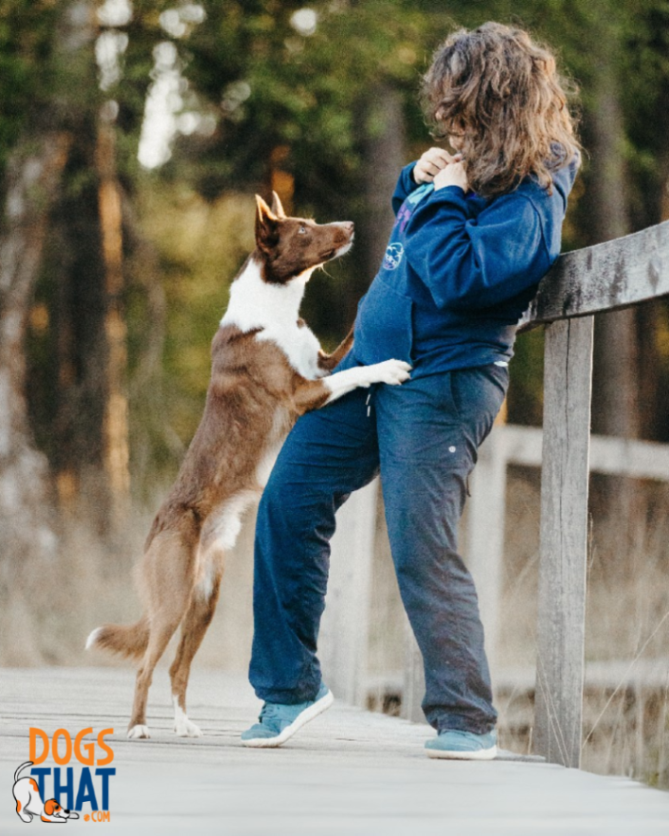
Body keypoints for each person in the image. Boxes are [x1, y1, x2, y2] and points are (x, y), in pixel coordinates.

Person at [241, 21, 581, 758]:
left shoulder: (537, 184)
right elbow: (415, 231)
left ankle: (465, 718)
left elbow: (462, 279)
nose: (451, 132)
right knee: (288, 502)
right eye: (444, 122)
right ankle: (290, 688)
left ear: (499, 109)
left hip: (444, 380)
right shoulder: (464, 167)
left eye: (462, 120)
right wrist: (419, 180)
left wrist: (444, 195)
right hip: (369, 366)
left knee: (419, 545)